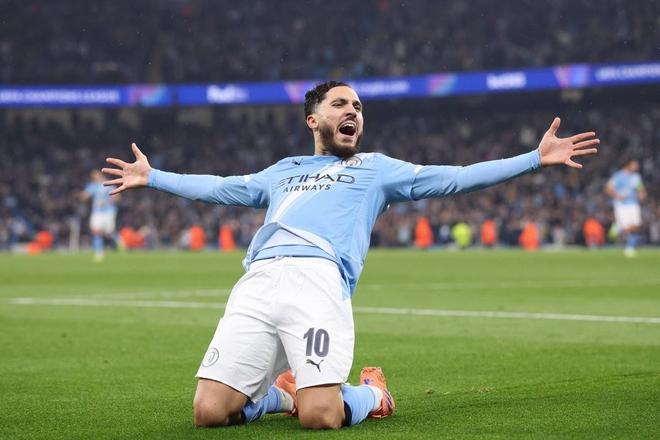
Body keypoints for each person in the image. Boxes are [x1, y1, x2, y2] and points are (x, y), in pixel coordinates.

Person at [101, 81, 599, 430]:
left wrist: (534, 159)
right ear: (313, 119)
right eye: (341, 104)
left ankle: (375, 394)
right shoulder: (282, 170)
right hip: (258, 281)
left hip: (319, 282)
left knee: (321, 417)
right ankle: (283, 395)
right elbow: (219, 187)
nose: (353, 112)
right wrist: (153, 176)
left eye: (358, 107)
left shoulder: (377, 169)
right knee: (209, 413)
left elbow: (456, 177)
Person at [606, 158, 646, 257]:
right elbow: (608, 188)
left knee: (636, 226)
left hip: (633, 203)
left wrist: (642, 194)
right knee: (627, 227)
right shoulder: (618, 176)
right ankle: (619, 229)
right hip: (621, 205)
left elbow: (640, 188)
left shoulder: (636, 177)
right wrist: (618, 196)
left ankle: (629, 246)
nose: (636, 166)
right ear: (628, 165)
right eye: (634, 164)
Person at [81, 170, 119, 261]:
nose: (94, 177)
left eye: (96, 175)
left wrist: (108, 201)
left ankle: (119, 243)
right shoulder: (92, 186)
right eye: (93, 176)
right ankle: (99, 252)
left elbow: (117, 197)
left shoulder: (108, 184)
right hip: (97, 212)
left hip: (109, 211)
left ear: (100, 175)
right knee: (96, 231)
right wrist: (80, 195)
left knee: (109, 233)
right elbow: (85, 196)